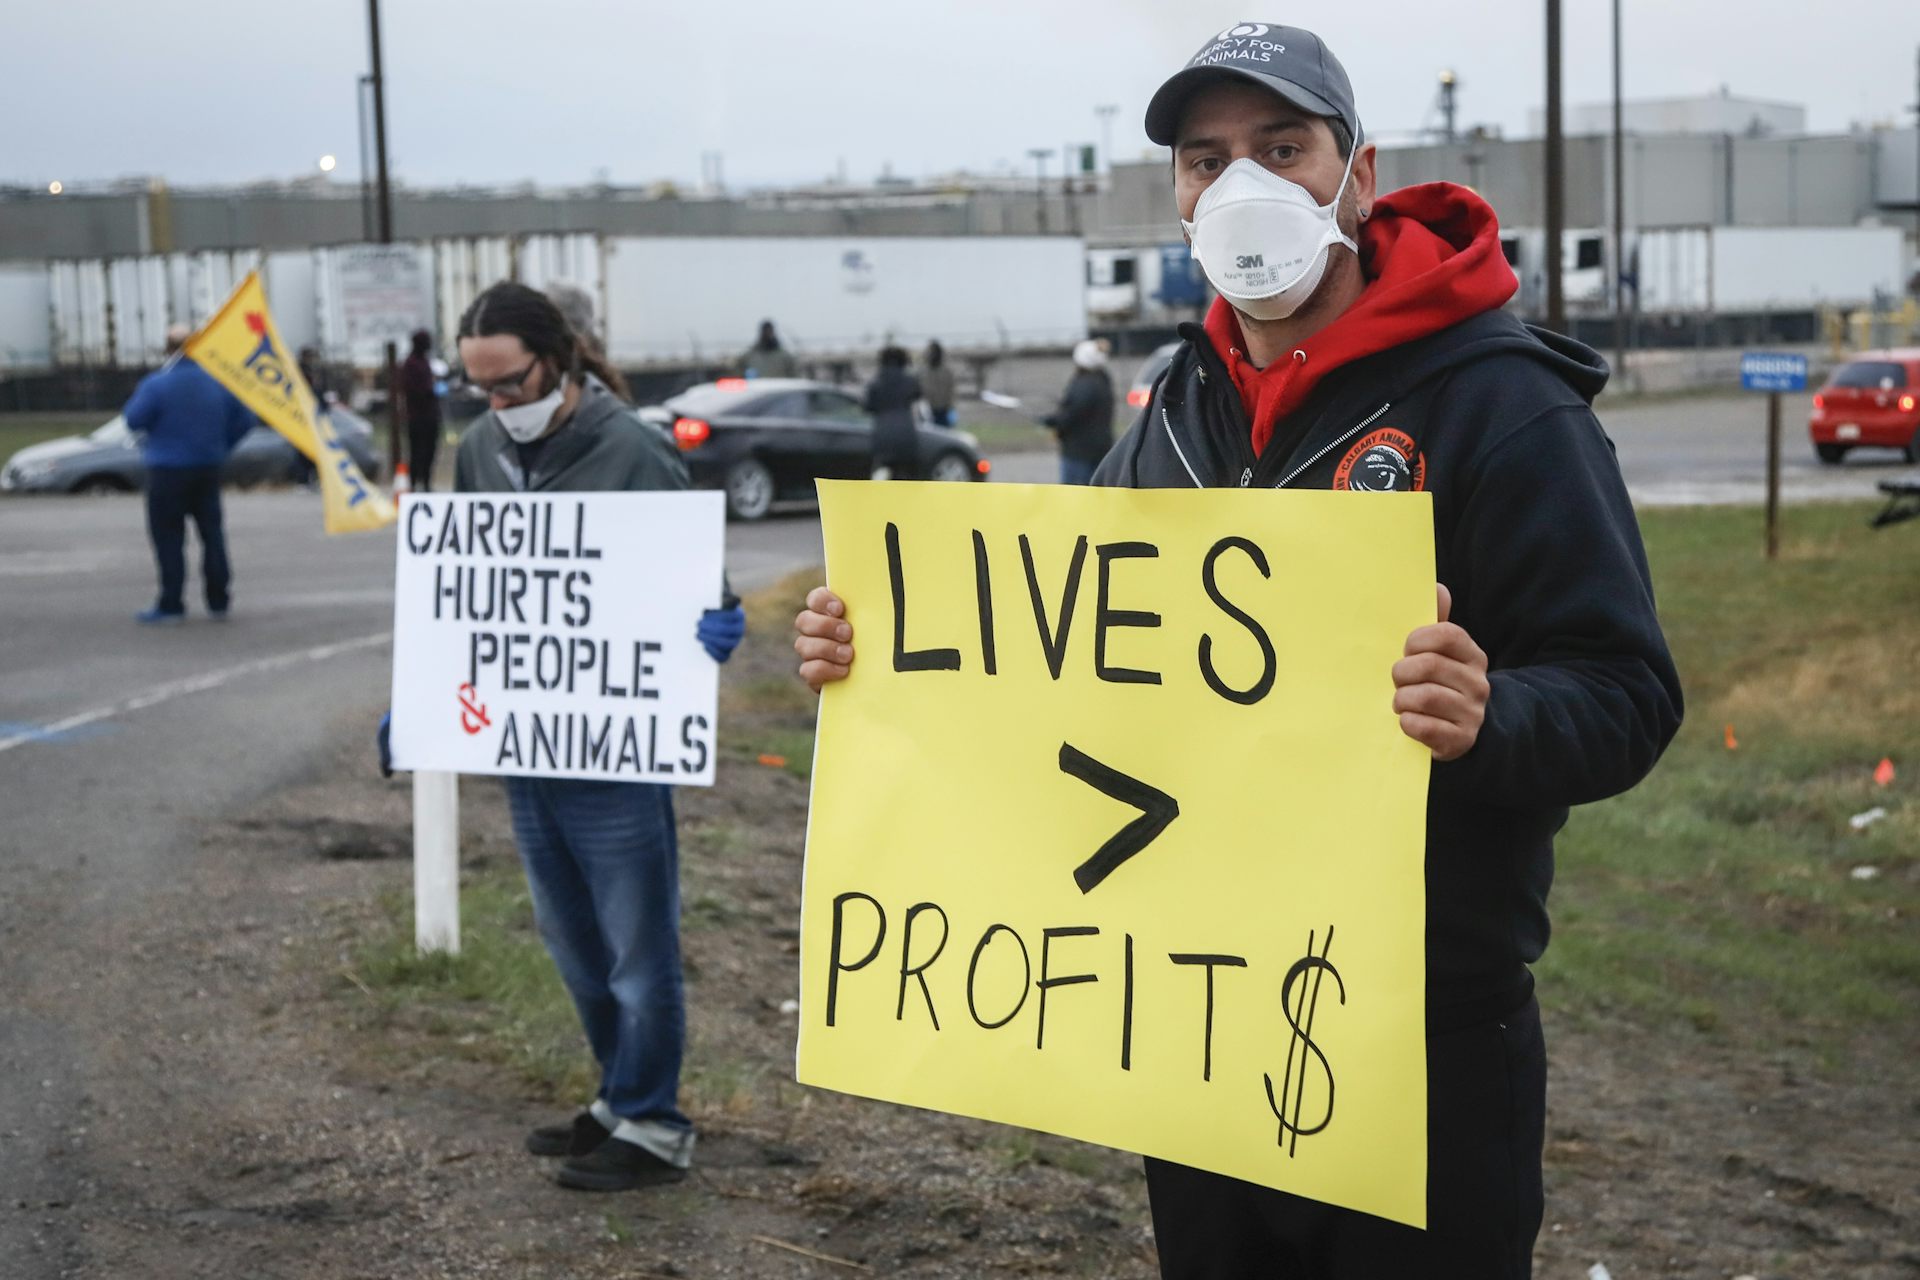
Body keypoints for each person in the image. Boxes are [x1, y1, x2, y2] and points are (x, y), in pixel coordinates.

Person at [795, 21, 1682, 1279]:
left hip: (1416, 1029)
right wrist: (875, 644)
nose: (1242, 185)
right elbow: (1057, 646)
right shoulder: (1177, 404)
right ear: (1177, 194)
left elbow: (1628, 692)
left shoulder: (1502, 405)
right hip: (1200, 1015)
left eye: (1282, 147)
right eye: (1207, 160)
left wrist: (1491, 717)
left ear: (1356, 177)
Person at [444, 281, 746, 1192]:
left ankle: (656, 1125)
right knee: (572, 943)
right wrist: (427, 692)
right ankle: (620, 1097)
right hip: (531, 745)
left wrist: (717, 622)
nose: (500, 405)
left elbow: (702, 581)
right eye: (481, 390)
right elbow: (469, 584)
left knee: (636, 950)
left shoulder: (633, 448)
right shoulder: (478, 451)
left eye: (511, 383)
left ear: (559, 359)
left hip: (619, 750)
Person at [123, 323, 256, 624]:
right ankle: (218, 599)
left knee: (169, 537)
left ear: (168, 349)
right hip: (207, 466)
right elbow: (246, 420)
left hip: (167, 469)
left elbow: (133, 419)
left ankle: (172, 603)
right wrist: (223, 444)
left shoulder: (158, 384)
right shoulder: (217, 382)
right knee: (212, 534)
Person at [1042, 339, 1115, 484]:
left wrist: (1052, 421)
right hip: (1101, 449)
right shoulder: (1103, 380)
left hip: (1079, 452)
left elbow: (1071, 414)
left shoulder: (1083, 385)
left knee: (1074, 496)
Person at [862, 345, 923, 480]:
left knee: (882, 474)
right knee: (908, 476)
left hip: (882, 435)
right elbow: (918, 395)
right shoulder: (910, 381)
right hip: (906, 434)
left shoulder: (875, 382)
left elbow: (867, 407)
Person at [400, 329, 443, 491]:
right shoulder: (411, 364)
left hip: (429, 416)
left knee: (430, 452)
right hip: (418, 417)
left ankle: (425, 482)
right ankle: (415, 483)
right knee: (417, 452)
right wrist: (431, 391)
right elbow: (416, 390)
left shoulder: (424, 362)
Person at [921, 340, 957, 426]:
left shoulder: (946, 372)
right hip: (928, 409)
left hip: (943, 410)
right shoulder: (924, 371)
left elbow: (951, 391)